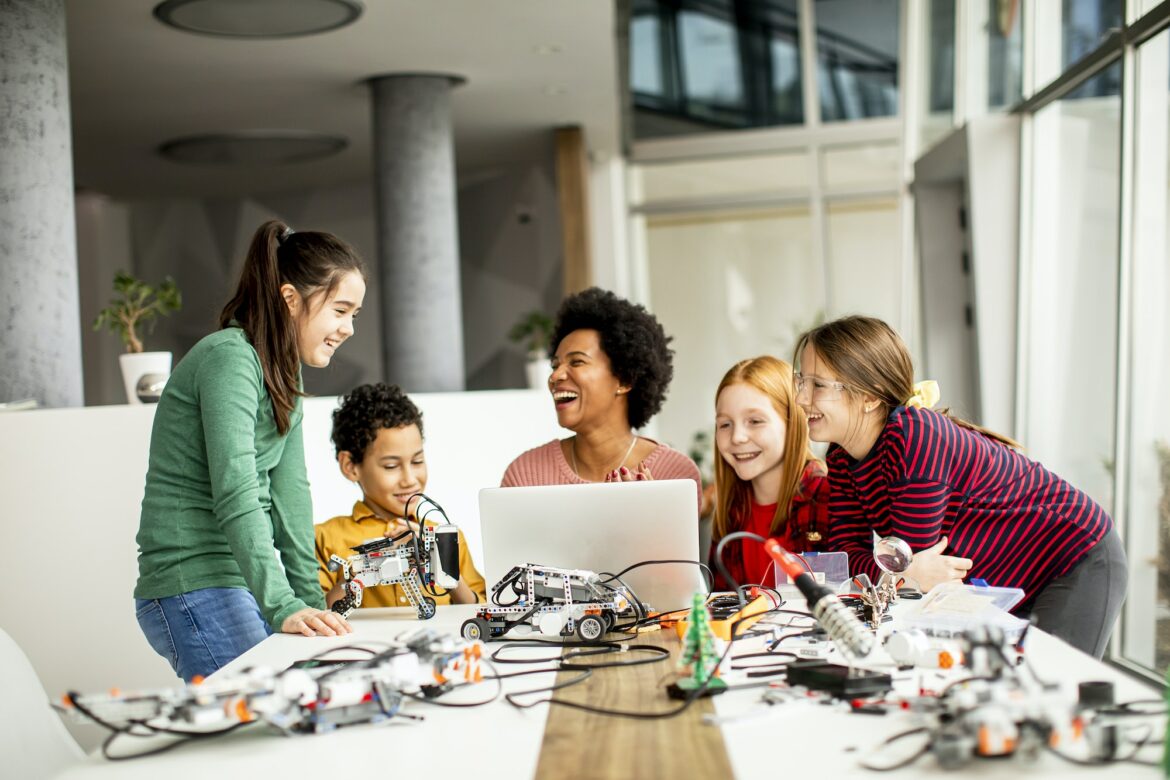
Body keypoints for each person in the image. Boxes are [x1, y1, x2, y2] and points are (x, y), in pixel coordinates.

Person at [795, 315, 1126, 658]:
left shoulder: (914, 437)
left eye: (817, 385)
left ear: (868, 397)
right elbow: (855, 560)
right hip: (1009, 578)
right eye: (801, 381)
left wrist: (903, 574)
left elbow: (917, 572)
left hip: (1074, 557)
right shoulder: (842, 457)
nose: (802, 398)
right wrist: (902, 574)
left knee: (1052, 687)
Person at [134, 220, 363, 681]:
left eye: (354, 314)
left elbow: (290, 497)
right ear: (291, 299)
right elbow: (236, 491)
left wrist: (309, 603)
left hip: (237, 580)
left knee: (305, 700)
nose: (349, 328)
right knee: (270, 721)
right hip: (191, 582)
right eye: (340, 310)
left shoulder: (286, 374)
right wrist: (281, 605)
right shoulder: (230, 357)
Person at [501, 287, 700, 494]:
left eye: (577, 362)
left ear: (624, 379)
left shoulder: (676, 475)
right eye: (555, 365)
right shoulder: (525, 476)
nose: (555, 376)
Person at [316, 383, 486, 608]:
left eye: (417, 461)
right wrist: (370, 562)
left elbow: (481, 611)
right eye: (391, 466)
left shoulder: (446, 537)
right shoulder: (326, 538)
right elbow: (314, 614)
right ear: (350, 466)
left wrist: (440, 562)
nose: (410, 479)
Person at [709, 356, 829, 590]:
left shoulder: (827, 497)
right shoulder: (731, 511)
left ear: (793, 423)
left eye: (754, 421)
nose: (737, 437)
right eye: (725, 424)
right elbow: (721, 605)